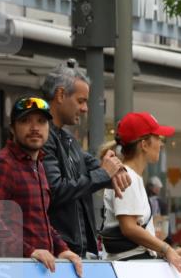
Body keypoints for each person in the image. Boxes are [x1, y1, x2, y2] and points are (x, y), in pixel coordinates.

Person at [0, 96, 83, 276]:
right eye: (25, 121)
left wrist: (62, 248)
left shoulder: (38, 165)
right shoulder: (1, 166)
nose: (35, 128)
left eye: (41, 121)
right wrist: (29, 251)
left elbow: (40, 220)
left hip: (38, 273)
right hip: (10, 274)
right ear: (12, 128)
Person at [41, 61, 130, 258]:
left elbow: (96, 164)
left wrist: (116, 168)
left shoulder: (68, 139)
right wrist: (104, 173)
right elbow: (55, 190)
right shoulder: (45, 138)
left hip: (74, 250)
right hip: (57, 253)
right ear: (61, 95)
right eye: (81, 101)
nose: (85, 108)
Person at [100, 112, 181, 275]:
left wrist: (171, 252)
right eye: (158, 138)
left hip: (133, 265)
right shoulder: (126, 176)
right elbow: (129, 228)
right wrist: (166, 249)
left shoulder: (130, 175)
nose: (161, 144)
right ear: (144, 144)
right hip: (130, 269)